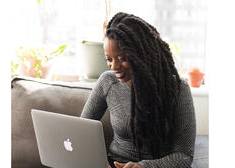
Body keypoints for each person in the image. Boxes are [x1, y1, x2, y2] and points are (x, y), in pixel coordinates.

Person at [80, 12, 196, 168]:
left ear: (140, 54)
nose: (114, 66)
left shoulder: (179, 89)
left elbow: (184, 156)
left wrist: (143, 166)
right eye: (109, 59)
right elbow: (81, 131)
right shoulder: (107, 81)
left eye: (122, 58)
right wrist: (101, 162)